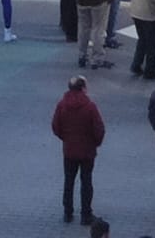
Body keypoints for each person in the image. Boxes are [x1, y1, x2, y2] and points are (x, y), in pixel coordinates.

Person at [52, 73, 106, 224]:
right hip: (87, 150)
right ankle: (86, 214)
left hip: (69, 149)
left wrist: (66, 138)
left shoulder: (62, 105)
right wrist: (95, 143)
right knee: (86, 181)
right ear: (83, 88)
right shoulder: (90, 106)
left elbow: (56, 127)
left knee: (69, 181)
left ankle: (67, 212)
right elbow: (99, 128)